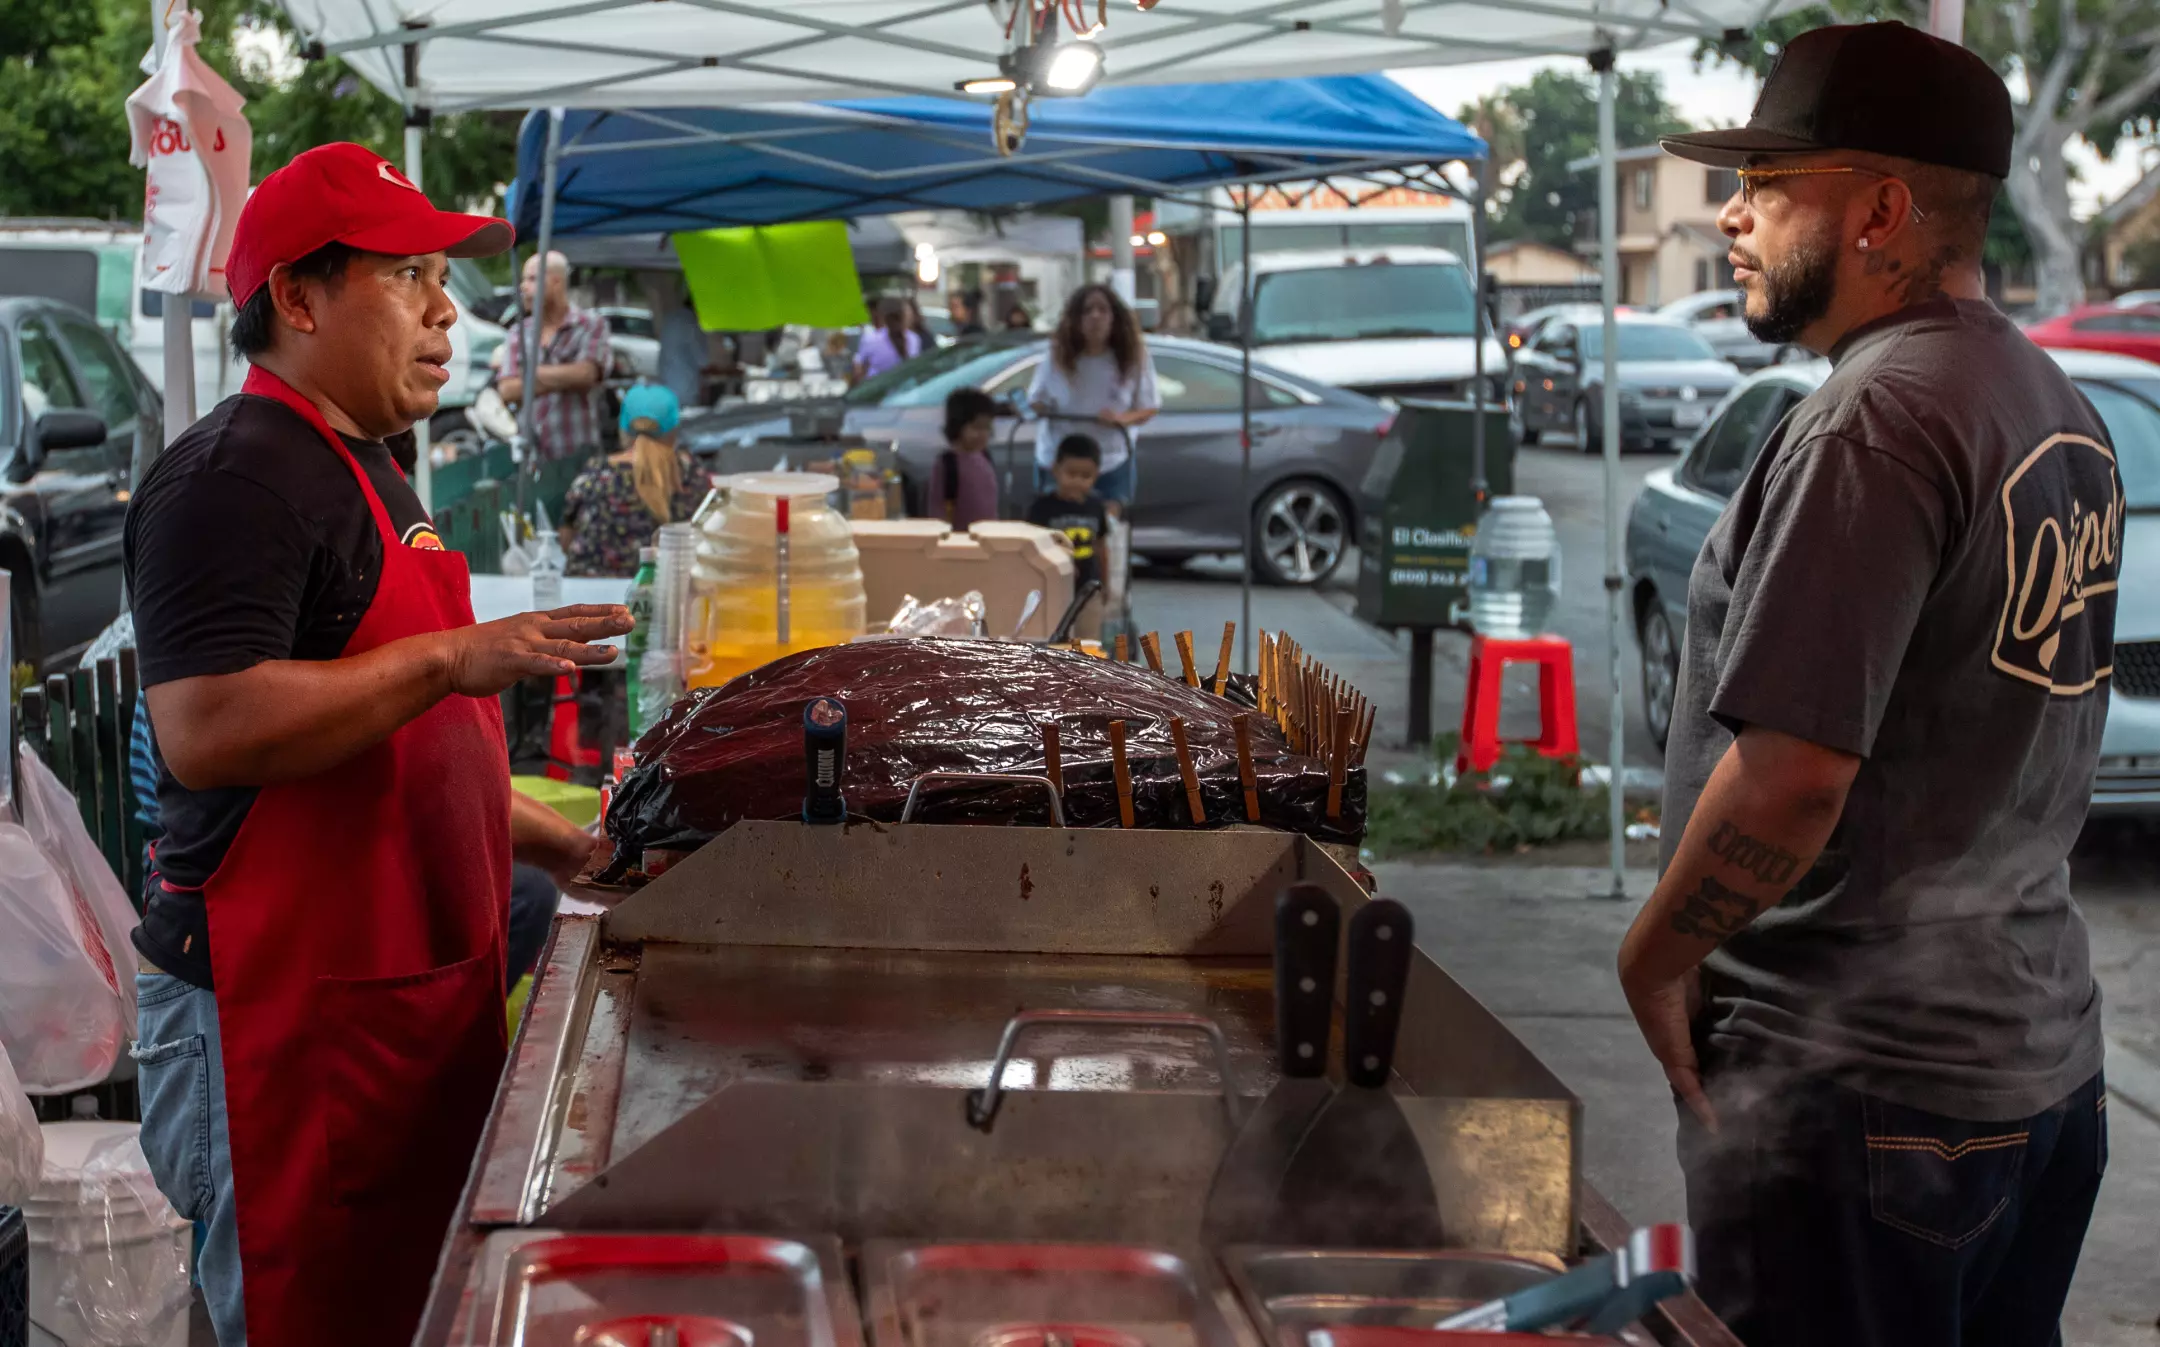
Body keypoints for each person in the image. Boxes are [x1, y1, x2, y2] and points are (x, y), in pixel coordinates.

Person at [1620, 24, 2114, 1346]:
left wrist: (1656, 955)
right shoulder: (2051, 399)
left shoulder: (1876, 419)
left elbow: (1793, 778)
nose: (1732, 214)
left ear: (1883, 209)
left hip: (1865, 1093)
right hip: (2036, 1066)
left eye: (1769, 180)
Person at [122, 142, 631, 1347]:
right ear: (297, 299)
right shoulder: (233, 479)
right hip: (278, 1017)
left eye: (438, 278)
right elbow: (204, 729)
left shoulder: (369, 464)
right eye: (406, 276)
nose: (445, 308)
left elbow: (414, 746)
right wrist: (455, 656)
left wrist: (575, 853)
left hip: (395, 998)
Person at [1027, 284, 1158, 509]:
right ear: (1075, 319)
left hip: (1110, 460)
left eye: (1102, 310)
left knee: (1107, 528)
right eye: (1087, 311)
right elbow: (1037, 399)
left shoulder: (1133, 357)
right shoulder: (1056, 355)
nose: (1095, 317)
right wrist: (1039, 407)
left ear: (1115, 318)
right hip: (1060, 462)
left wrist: (1120, 419)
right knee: (1058, 528)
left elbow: (1149, 406)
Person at [559, 383, 710, 577]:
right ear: (674, 431)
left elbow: (566, 539)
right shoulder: (691, 474)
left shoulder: (595, 474)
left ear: (623, 429)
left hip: (590, 598)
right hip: (667, 595)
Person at [498, 248, 611, 462]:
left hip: (578, 457)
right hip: (531, 460)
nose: (523, 287)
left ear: (556, 282)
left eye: (532, 279)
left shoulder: (591, 325)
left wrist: (529, 375)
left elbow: (586, 374)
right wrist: (565, 378)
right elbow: (507, 389)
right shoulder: (518, 332)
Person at [1025, 434, 1110, 641]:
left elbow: (1101, 547)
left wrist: (1106, 584)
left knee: (1088, 641)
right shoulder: (1042, 508)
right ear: (1056, 470)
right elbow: (1032, 548)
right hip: (1052, 589)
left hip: (1089, 589)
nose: (1077, 481)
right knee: (1052, 640)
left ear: (1096, 475)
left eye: (1086, 476)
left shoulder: (1096, 507)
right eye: (1071, 474)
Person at [928, 387, 1002, 531]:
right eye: (976, 427)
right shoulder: (948, 464)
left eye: (987, 428)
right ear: (958, 425)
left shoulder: (985, 457)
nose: (983, 434)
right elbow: (937, 511)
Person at [656, 287, 711, 408]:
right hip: (686, 386)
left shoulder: (671, 318)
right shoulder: (692, 323)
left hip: (666, 380)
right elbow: (703, 360)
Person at [852, 297, 921, 385]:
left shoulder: (870, 339)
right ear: (905, 316)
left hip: (877, 392)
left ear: (882, 316)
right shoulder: (914, 339)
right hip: (907, 392)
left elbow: (858, 371)